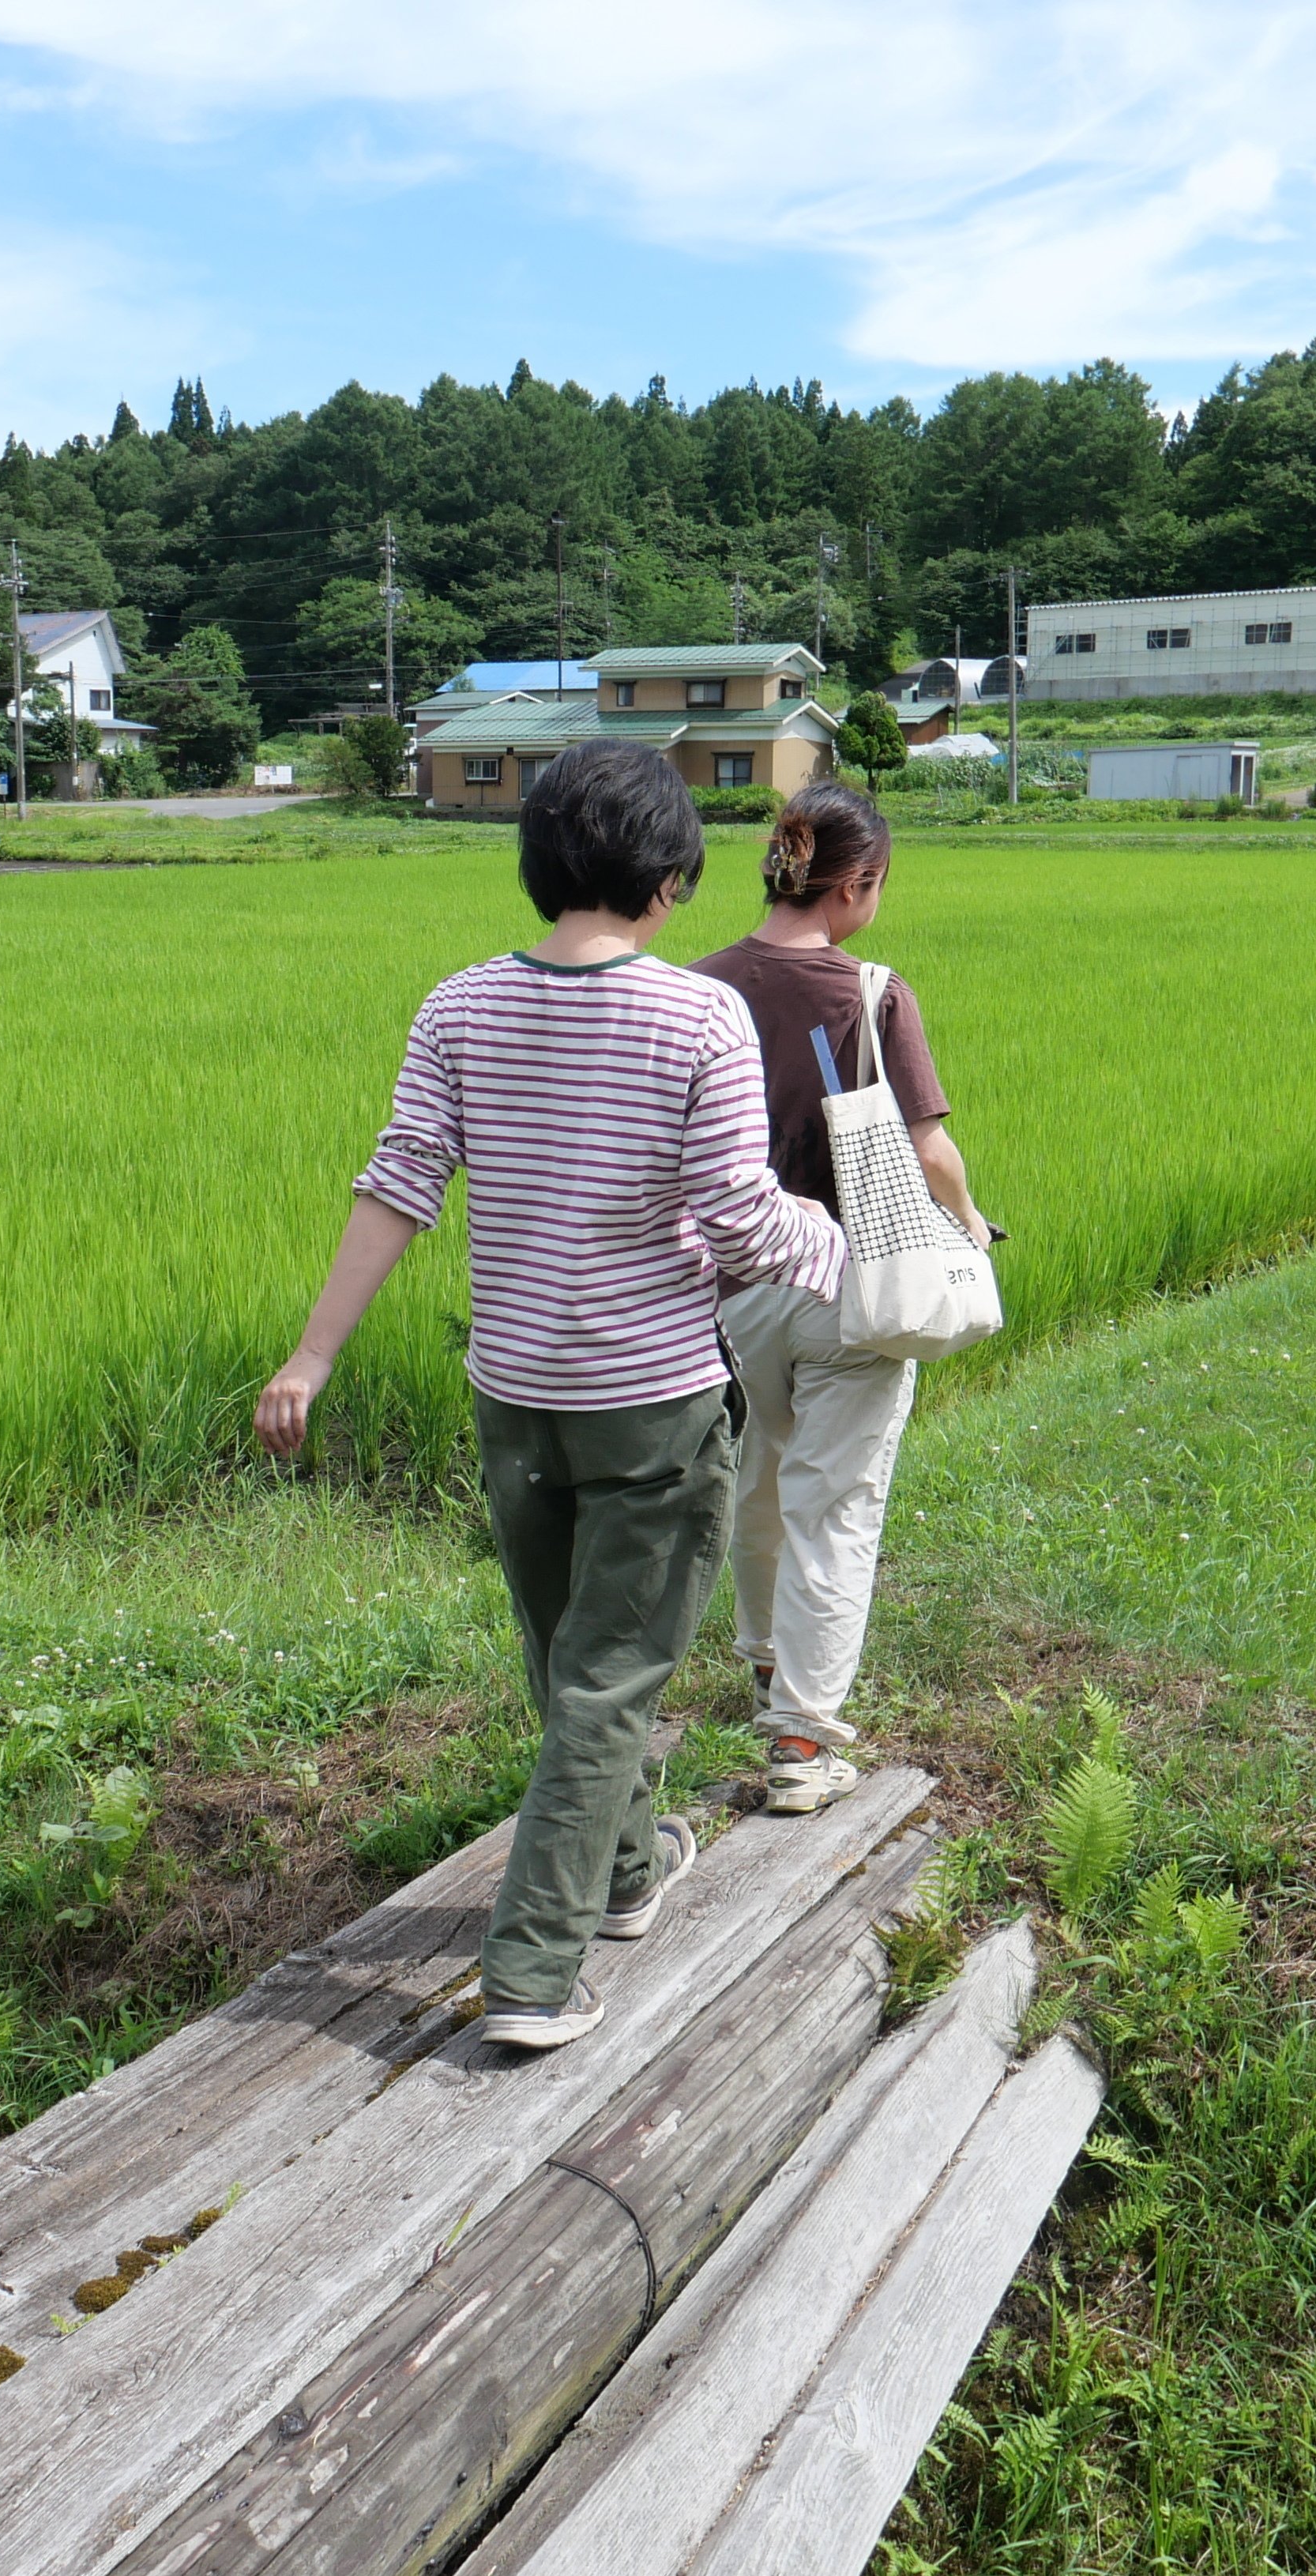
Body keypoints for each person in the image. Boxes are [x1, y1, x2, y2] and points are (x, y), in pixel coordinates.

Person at [257, 740, 843, 2051]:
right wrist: (846, 1248)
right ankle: (528, 1971)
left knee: (570, 1654)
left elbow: (401, 1179)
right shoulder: (701, 1018)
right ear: (672, 878)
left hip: (515, 1396)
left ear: (540, 865)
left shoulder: (458, 1006)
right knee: (607, 1678)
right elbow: (740, 1222)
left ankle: (627, 1873)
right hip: (650, 1403)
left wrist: (313, 1357)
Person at [690, 778, 989, 1814]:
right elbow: (927, 1147)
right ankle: (804, 1748)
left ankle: (771, 1678)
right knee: (838, 1503)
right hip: (852, 1289)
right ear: (853, 883)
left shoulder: (699, 987)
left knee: (765, 1483)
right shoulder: (872, 993)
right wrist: (969, 1222)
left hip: (737, 1297)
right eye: (878, 884)